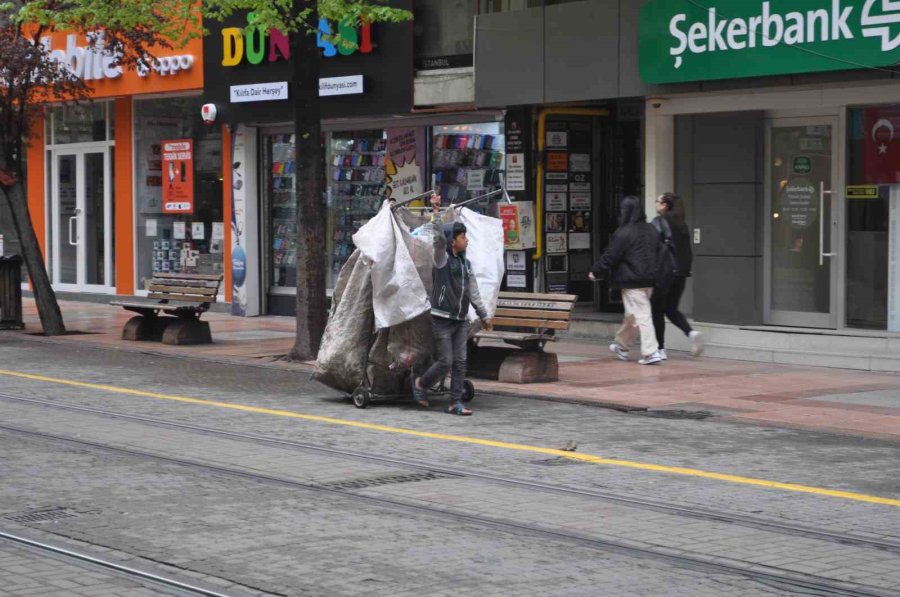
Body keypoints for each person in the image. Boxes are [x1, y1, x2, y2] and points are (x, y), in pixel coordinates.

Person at [413, 194, 492, 415]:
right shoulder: (442, 259)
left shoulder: (466, 265)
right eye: (462, 236)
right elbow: (438, 239)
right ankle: (421, 383)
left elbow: (473, 292)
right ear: (452, 241)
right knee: (446, 361)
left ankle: (455, 402)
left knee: (460, 362)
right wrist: (436, 211)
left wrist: (484, 315)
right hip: (442, 319)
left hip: (460, 321)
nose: (466, 240)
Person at [589, 196, 663, 365]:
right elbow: (659, 252)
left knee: (641, 316)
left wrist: (596, 270)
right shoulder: (651, 229)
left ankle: (651, 352)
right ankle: (621, 346)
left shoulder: (624, 232)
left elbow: (611, 255)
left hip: (631, 281)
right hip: (649, 279)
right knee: (632, 316)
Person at [650, 193, 703, 359]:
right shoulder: (681, 224)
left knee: (656, 310)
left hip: (664, 273)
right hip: (680, 274)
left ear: (665, 205)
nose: (656, 204)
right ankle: (691, 332)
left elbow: (652, 246)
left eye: (657, 201)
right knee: (671, 308)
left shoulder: (658, 222)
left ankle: (660, 348)